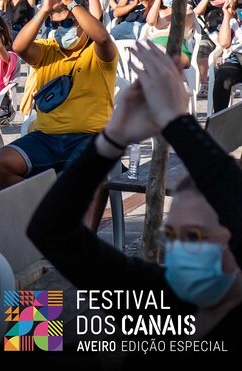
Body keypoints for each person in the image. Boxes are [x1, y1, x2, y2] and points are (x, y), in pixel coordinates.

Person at [28, 42, 242, 359]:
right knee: (28, 339)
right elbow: (49, 232)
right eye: (172, 235)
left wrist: (177, 122)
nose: (179, 252)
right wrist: (112, 139)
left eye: (195, 236)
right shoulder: (161, 297)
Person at [0, 0, 118, 192]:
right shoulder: (48, 50)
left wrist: (71, 1)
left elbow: (103, 38)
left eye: (68, 23)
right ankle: (46, 211)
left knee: (87, 173)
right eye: (56, 24)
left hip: (89, 136)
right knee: (0, 165)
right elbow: (19, 47)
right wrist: (43, 12)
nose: (62, 29)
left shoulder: (97, 51)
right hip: (47, 137)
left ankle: (74, 222)